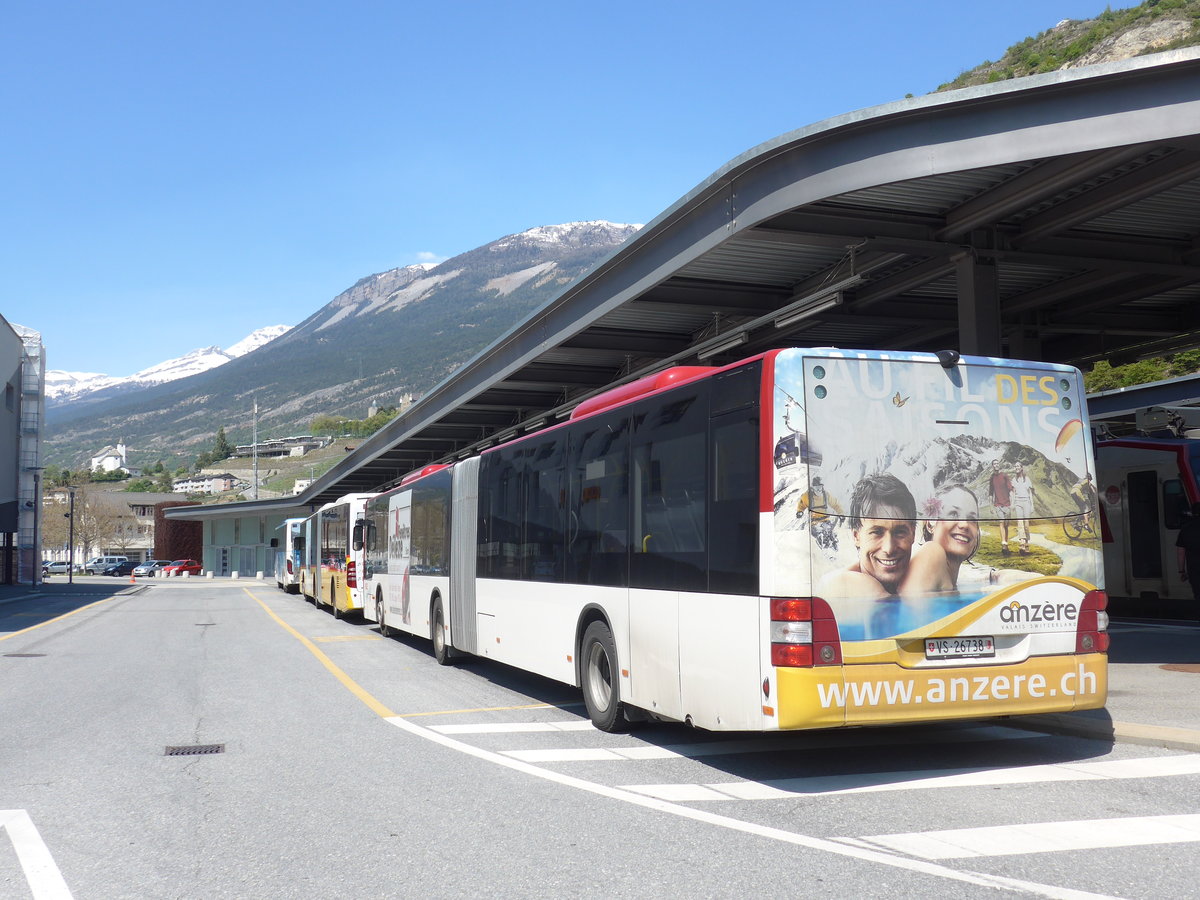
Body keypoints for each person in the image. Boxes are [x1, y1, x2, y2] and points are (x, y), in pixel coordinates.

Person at [817, 472, 916, 599]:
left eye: (899, 532)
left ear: (912, 534)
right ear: (856, 537)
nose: (889, 548)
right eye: (877, 533)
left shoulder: (926, 576)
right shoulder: (837, 587)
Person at [901, 484, 981, 595]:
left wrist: (993, 576)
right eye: (953, 514)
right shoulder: (932, 553)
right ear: (930, 524)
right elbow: (910, 609)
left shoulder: (948, 578)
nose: (965, 524)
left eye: (972, 519)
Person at [1175, 502, 1200, 606]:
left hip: (1194, 568)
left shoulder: (1185, 528)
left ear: (1192, 513)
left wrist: (1182, 571)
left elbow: (1181, 552)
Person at [987, 459, 1014, 554]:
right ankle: (1004, 545)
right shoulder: (992, 478)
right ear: (993, 466)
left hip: (1007, 504)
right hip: (998, 504)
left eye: (997, 463)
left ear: (999, 465)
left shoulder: (1004, 476)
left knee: (1006, 525)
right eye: (994, 463)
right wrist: (991, 506)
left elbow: (1011, 490)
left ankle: (1006, 544)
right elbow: (990, 493)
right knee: (1001, 523)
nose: (996, 465)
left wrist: (1012, 503)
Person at [1009, 461, 1036, 554]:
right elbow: (1012, 493)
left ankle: (1027, 544)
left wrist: (1032, 505)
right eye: (1015, 466)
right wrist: (1012, 503)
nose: (1016, 467)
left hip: (1027, 502)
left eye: (1018, 466)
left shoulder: (1027, 479)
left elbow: (1030, 493)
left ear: (1021, 468)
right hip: (1018, 503)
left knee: (1026, 525)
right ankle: (1022, 544)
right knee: (1020, 524)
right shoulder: (1013, 480)